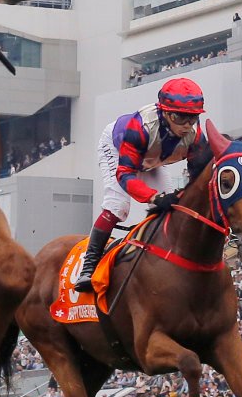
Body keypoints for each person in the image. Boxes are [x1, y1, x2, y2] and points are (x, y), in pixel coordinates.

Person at [78, 78, 204, 293]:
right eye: (180, 117)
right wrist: (153, 197)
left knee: (172, 209)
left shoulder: (195, 135)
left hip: (155, 157)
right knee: (118, 205)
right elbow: (125, 174)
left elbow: (197, 176)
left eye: (191, 118)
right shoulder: (140, 127)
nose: (186, 125)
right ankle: (88, 266)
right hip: (119, 149)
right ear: (165, 113)